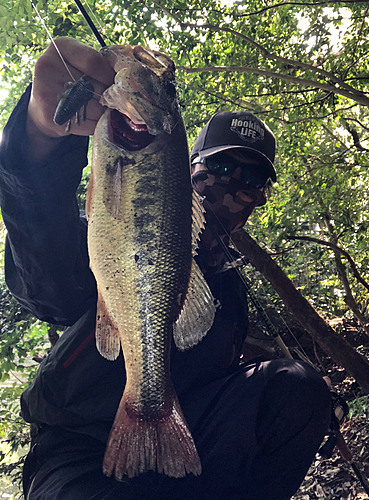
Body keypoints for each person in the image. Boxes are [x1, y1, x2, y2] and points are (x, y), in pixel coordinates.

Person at [0, 37, 331, 500]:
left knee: (297, 390)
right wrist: (38, 140)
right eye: (221, 165)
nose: (232, 185)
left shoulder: (230, 296)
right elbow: (45, 268)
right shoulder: (100, 236)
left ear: (260, 199)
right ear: (189, 166)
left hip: (181, 432)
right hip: (76, 448)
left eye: (252, 178)